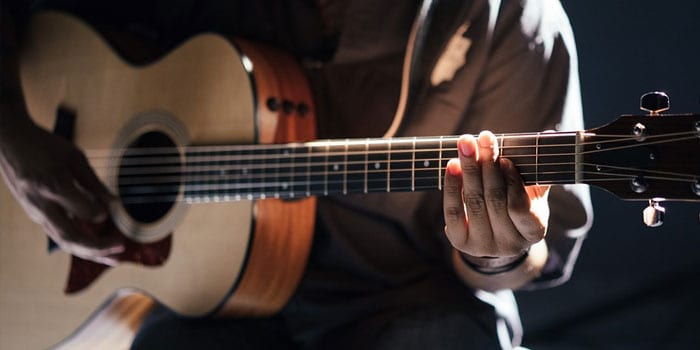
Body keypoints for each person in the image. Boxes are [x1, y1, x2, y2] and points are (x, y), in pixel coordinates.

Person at [0, 0, 592, 348]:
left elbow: (531, 257)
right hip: (212, 300)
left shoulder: (513, 20)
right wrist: (13, 135)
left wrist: (499, 251)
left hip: (403, 299)